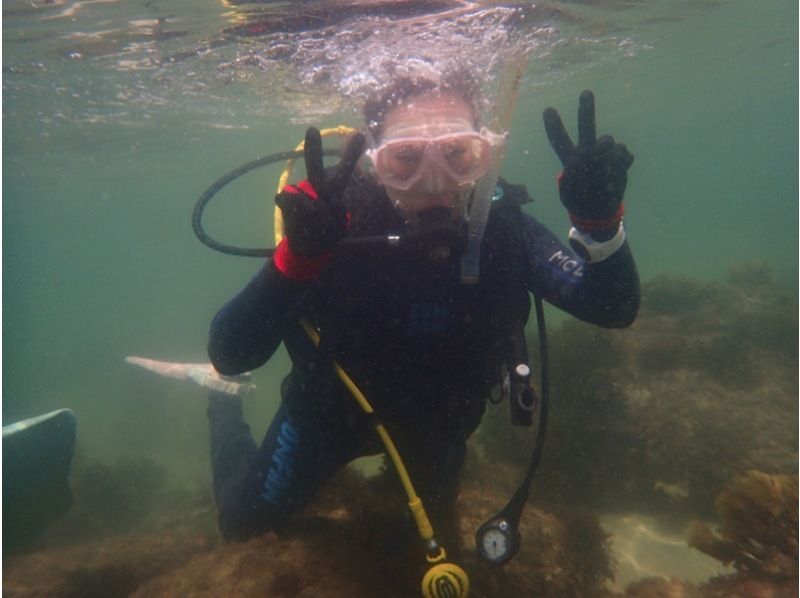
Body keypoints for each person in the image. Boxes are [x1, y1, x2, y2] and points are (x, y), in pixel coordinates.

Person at [205, 75, 640, 546]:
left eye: (457, 155)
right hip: (328, 419)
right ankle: (221, 403)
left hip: (441, 428)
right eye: (406, 160)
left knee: (432, 534)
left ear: (485, 156)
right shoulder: (332, 226)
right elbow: (230, 355)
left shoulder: (502, 232)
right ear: (374, 163)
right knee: (241, 524)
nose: (434, 183)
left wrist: (599, 224)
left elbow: (612, 306)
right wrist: (299, 259)